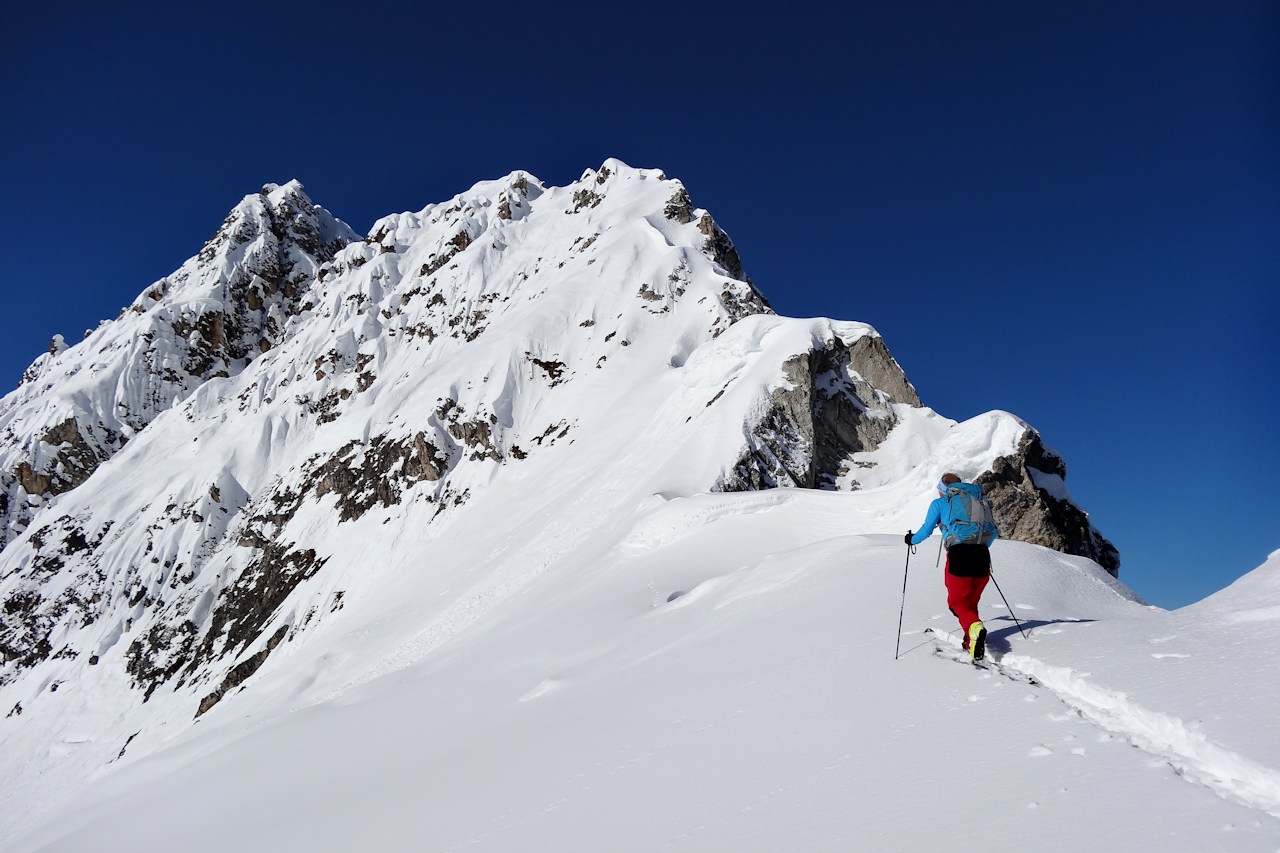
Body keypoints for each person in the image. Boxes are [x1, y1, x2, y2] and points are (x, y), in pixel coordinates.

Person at [904, 473, 996, 660]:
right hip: (982, 554)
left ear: (943, 488)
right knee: (970, 601)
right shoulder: (977, 500)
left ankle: (975, 627)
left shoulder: (940, 503)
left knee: (957, 603)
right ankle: (970, 641)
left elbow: (926, 529)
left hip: (959, 555)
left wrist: (911, 539)